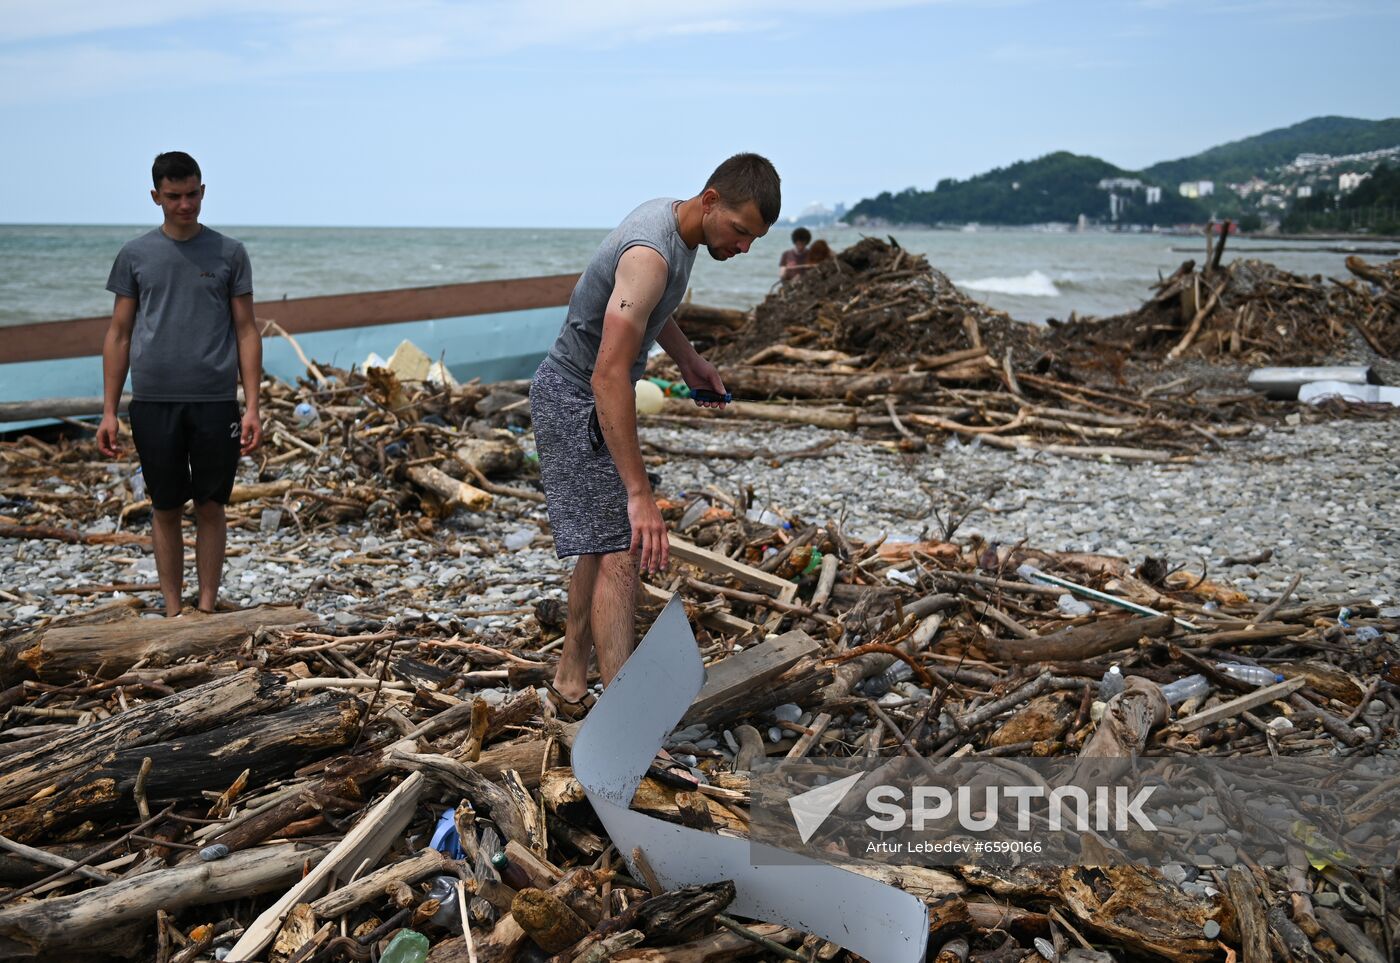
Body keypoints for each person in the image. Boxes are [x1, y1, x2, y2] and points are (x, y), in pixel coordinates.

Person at [532, 153, 780, 707]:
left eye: (754, 241)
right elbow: (608, 373)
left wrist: (689, 360)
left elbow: (650, 311)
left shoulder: (676, 228)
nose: (743, 248)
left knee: (598, 546)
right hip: (575, 397)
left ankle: (572, 674)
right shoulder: (650, 254)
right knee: (622, 541)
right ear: (710, 199)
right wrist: (640, 495)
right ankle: (622, 706)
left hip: (582, 393)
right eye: (740, 232)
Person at [96, 152, 262, 617]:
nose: (185, 204)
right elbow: (119, 334)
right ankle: (172, 611)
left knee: (210, 504)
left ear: (202, 191)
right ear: (156, 197)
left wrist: (252, 407)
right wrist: (109, 411)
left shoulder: (230, 253)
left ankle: (206, 608)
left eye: (192, 194)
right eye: (174, 196)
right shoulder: (135, 255)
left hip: (214, 401)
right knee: (165, 506)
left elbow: (247, 331)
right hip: (153, 401)